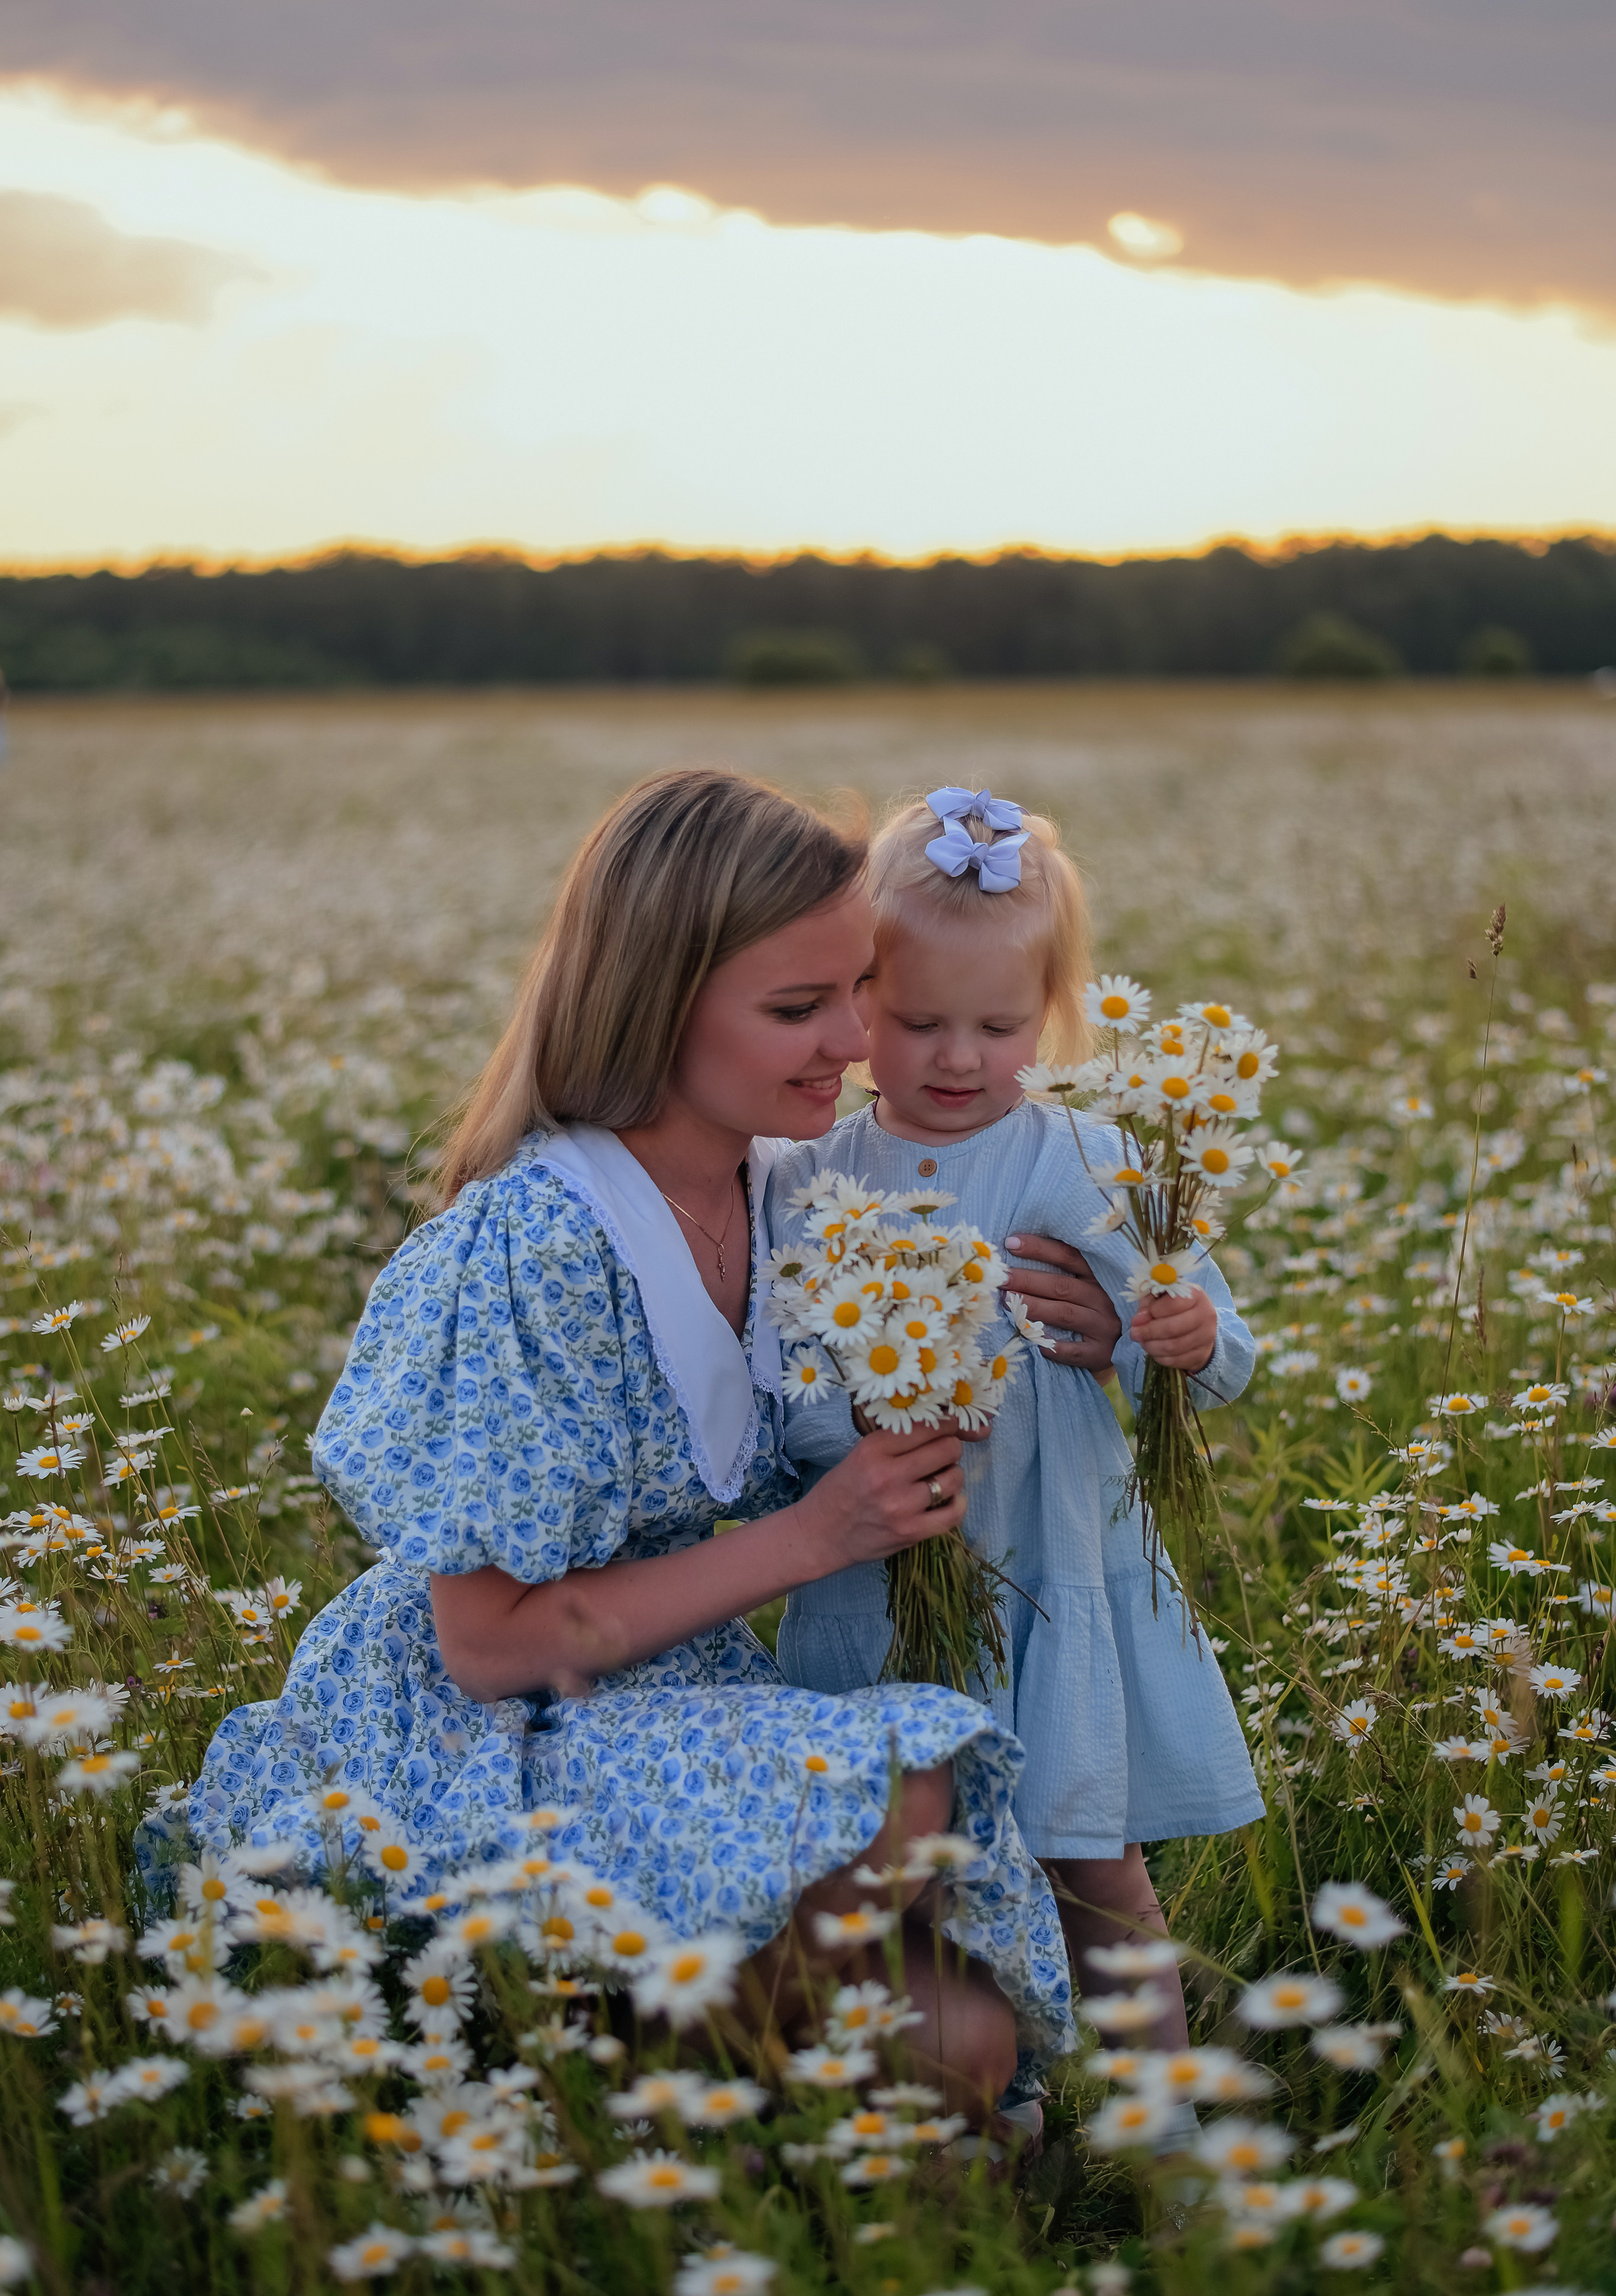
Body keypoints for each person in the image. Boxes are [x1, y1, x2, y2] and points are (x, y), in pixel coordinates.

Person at [179, 769, 1072, 2118]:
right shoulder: (534, 1246)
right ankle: (569, 2054)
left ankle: (665, 2096)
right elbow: (488, 1647)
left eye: (856, 990)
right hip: (480, 1731)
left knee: (960, 2045)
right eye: (796, 1007)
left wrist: (1109, 1320)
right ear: (657, 1005)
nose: (855, 1037)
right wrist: (815, 1536)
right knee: (909, 1791)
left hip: (662, 1686)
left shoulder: (789, 1191)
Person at [766, 785, 1264, 2061]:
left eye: (998, 1025)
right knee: (907, 1872)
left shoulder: (1077, 1156)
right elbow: (789, 1388)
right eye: (916, 1019)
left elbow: (1212, 1348)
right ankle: (995, 2092)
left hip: (1046, 1572)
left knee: (1090, 1864)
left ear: (1050, 1017)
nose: (954, 1058)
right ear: (853, 999)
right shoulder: (808, 1169)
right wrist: (863, 1425)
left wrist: (1179, 1342)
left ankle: (1166, 2133)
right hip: (886, 1590)